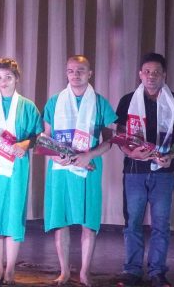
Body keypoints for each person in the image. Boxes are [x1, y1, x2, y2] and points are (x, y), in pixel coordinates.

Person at [114, 52, 174, 287]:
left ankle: (158, 272)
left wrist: (172, 155)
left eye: (156, 72)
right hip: (134, 170)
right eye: (147, 72)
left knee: (161, 224)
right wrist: (131, 153)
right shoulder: (128, 100)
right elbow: (119, 136)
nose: (151, 76)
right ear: (140, 74)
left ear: (164, 75)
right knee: (133, 223)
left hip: (163, 172)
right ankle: (132, 271)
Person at [42, 55, 118, 287]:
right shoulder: (54, 101)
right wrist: (55, 155)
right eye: (71, 71)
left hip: (89, 167)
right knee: (61, 220)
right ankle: (64, 271)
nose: (75, 75)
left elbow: (110, 140)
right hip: (61, 169)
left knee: (88, 221)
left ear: (90, 73)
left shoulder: (100, 102)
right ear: (66, 73)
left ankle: (84, 272)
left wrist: (89, 155)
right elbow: (45, 137)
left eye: (81, 70)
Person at [0, 57, 41, 285]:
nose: (3, 82)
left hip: (16, 166)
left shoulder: (27, 106)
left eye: (8, 77)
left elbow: (38, 136)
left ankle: (10, 269)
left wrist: (25, 144)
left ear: (16, 78)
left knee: (13, 213)